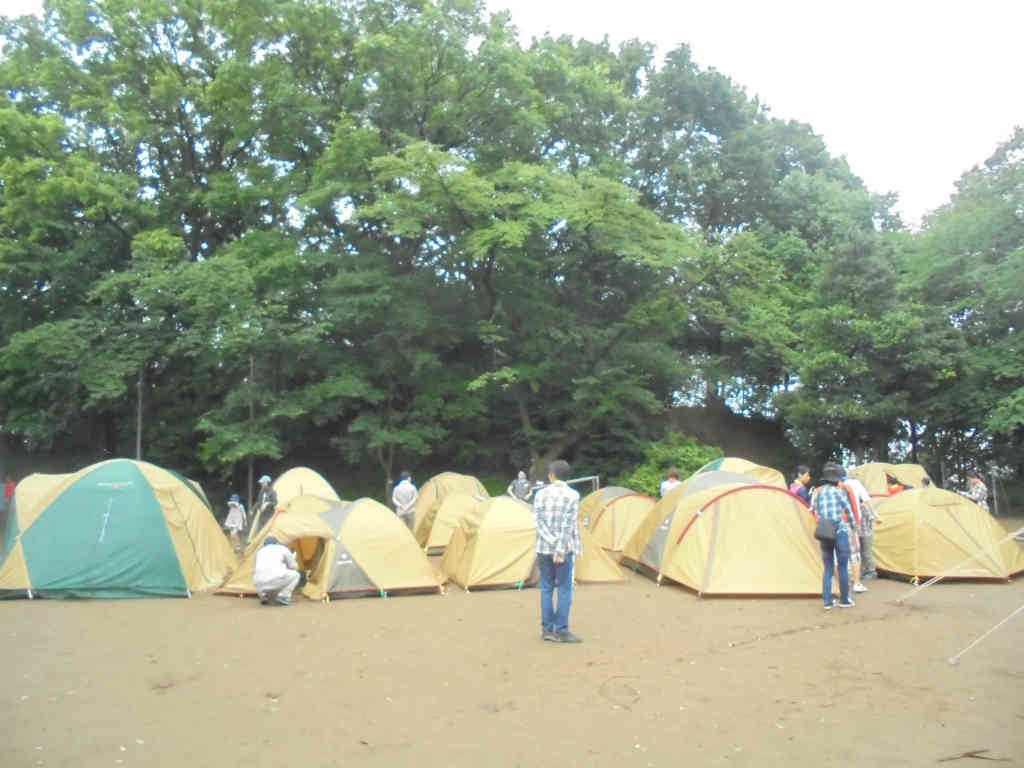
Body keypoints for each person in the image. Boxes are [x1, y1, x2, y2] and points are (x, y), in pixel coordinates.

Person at [533, 459, 583, 643]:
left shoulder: (540, 494)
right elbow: (567, 526)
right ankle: (561, 630)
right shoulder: (573, 495)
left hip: (543, 548)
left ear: (551, 475)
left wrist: (551, 542)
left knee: (546, 587)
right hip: (563, 550)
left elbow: (538, 522)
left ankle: (547, 629)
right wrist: (560, 549)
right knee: (564, 588)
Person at [812, 462, 855, 610]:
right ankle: (844, 600)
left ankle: (828, 602)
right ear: (837, 479)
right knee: (842, 566)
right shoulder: (839, 492)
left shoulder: (818, 493)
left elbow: (815, 510)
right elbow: (848, 511)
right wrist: (854, 528)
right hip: (840, 531)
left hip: (825, 532)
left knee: (828, 567)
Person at [252, 535, 301, 606]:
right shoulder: (282, 549)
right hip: (275, 579)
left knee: (261, 575)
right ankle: (284, 596)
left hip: (259, 583)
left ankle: (263, 595)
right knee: (296, 575)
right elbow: (294, 567)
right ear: (276, 543)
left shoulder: (259, 552)